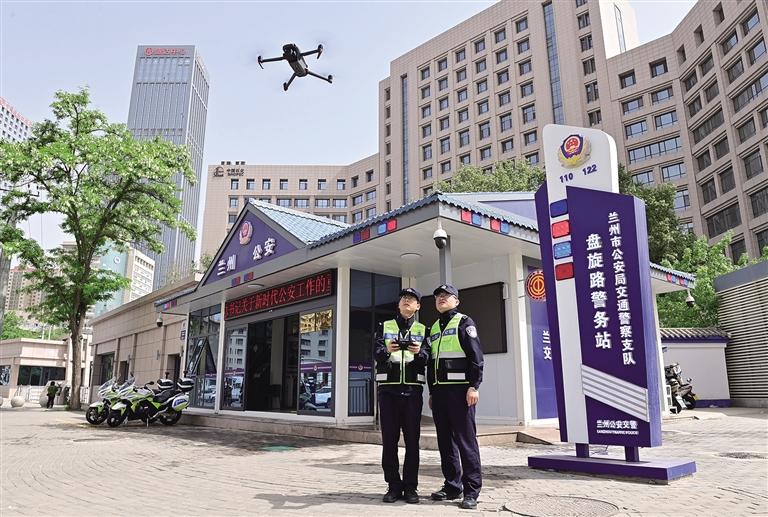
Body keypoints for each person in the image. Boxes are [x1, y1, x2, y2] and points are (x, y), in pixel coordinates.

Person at [427, 284, 484, 510]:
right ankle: (452, 485)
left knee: (466, 442)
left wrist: (474, 386)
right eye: (438, 296)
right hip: (440, 393)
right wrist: (432, 391)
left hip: (461, 392)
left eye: (446, 296)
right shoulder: (433, 328)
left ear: (456, 301)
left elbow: (475, 356)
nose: (441, 299)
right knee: (445, 443)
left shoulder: (464, 322)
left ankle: (471, 491)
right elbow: (431, 363)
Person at [373, 287, 429, 504]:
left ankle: (411, 487)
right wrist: (388, 349)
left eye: (412, 299)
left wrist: (418, 352)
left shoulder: (423, 330)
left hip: (412, 392)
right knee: (389, 441)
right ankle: (393, 486)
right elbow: (376, 354)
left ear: (418, 306)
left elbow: (428, 358)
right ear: (398, 304)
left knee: (412, 442)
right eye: (404, 298)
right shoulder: (384, 326)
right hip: (388, 391)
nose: (407, 301)